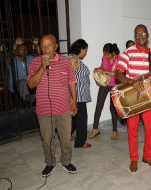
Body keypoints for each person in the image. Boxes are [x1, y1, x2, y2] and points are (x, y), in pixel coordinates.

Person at [115, 24, 151, 172]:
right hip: (133, 97)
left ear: (147, 35)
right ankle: (134, 158)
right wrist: (131, 81)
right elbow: (118, 73)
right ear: (135, 37)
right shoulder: (128, 53)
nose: (140, 36)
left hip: (149, 97)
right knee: (132, 129)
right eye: (137, 34)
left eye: (143, 33)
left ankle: (147, 156)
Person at [27, 34, 78, 177]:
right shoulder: (35, 63)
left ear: (56, 46)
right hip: (43, 111)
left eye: (49, 45)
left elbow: (71, 82)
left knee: (66, 138)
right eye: (42, 45)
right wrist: (42, 68)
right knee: (47, 140)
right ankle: (50, 163)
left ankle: (66, 161)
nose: (46, 48)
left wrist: (74, 101)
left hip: (64, 109)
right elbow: (31, 84)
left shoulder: (65, 62)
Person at [88, 43, 120, 140]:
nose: (105, 56)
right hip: (104, 84)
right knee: (99, 106)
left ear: (113, 53)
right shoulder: (104, 57)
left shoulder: (119, 60)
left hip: (115, 85)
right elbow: (102, 67)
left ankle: (115, 131)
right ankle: (95, 129)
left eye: (107, 55)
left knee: (113, 108)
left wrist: (107, 72)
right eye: (104, 54)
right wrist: (98, 69)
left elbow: (120, 74)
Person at [68, 39, 92, 148]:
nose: (86, 53)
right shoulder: (73, 59)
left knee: (75, 118)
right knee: (82, 119)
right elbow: (70, 78)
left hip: (80, 94)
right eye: (85, 50)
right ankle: (80, 142)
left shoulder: (75, 59)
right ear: (80, 49)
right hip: (78, 95)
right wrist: (72, 99)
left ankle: (67, 135)